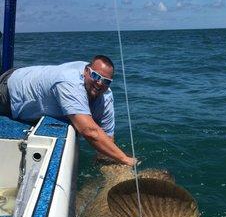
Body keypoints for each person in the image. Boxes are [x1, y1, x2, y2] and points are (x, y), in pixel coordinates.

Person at [0, 55, 136, 166]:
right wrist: (125, 160)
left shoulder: (106, 96)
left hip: (40, 101)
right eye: (96, 76)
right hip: (9, 91)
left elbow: (107, 138)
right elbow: (89, 131)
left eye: (106, 81)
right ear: (86, 72)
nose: (100, 83)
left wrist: (105, 160)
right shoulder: (69, 83)